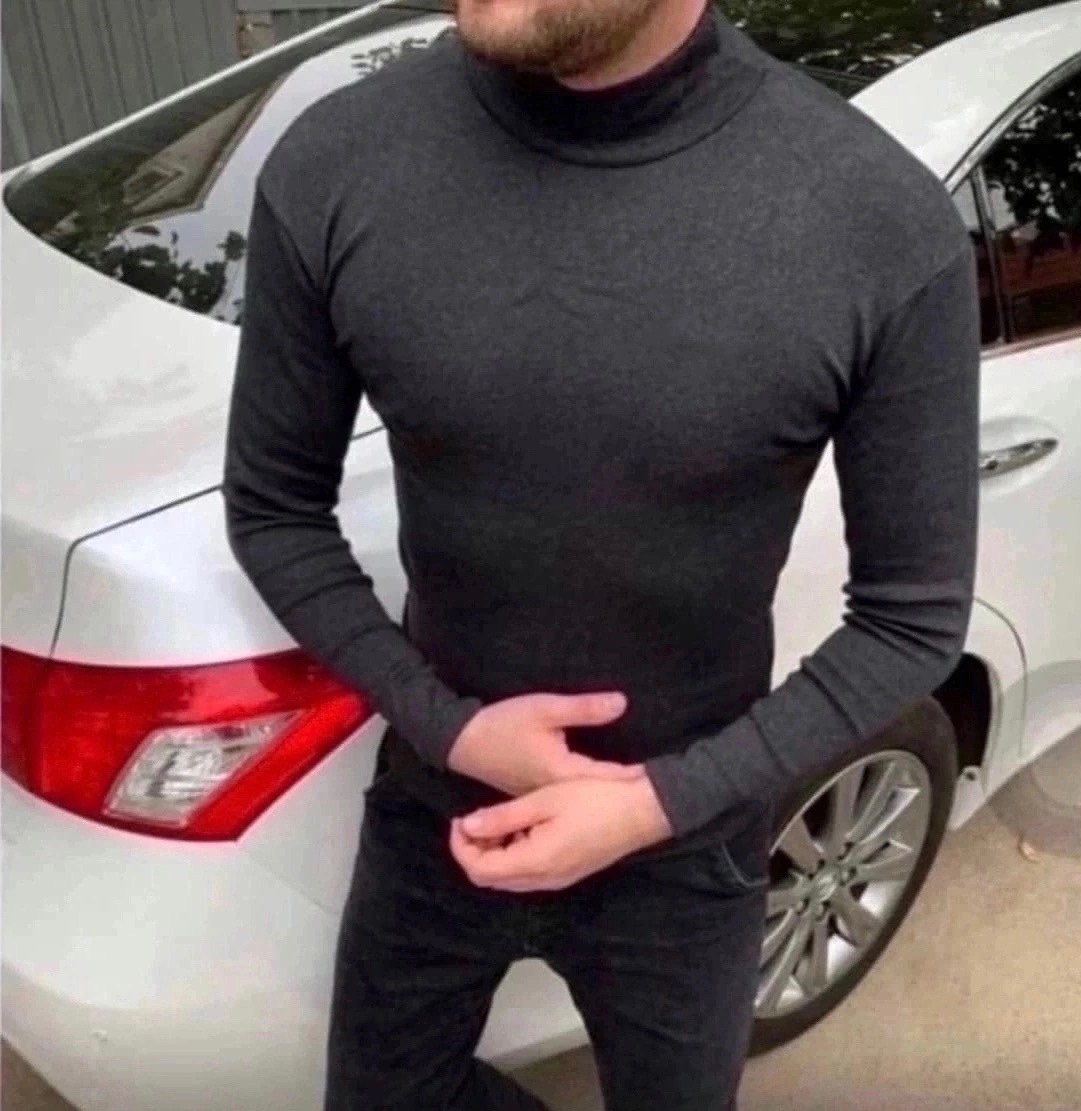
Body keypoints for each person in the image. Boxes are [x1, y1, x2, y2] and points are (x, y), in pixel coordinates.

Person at [221, 0, 981, 1107]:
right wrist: (448, 726)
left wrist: (656, 803)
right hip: (438, 798)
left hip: (687, 838)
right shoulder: (342, 160)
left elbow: (910, 620)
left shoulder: (872, 221)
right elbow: (274, 507)